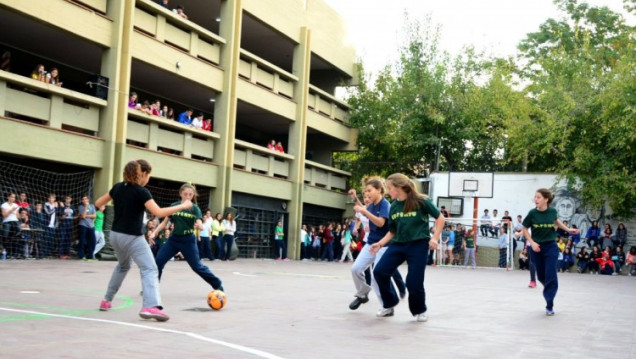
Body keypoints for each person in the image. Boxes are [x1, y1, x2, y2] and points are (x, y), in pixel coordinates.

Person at [95, 159, 192, 321]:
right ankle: (150, 306)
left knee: (123, 265)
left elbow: (98, 203)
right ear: (143, 174)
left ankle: (106, 300)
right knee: (150, 269)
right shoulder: (141, 192)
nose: (148, 179)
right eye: (148, 176)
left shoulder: (118, 187)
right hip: (132, 237)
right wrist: (182, 206)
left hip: (115, 236)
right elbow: (159, 212)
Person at [370, 173, 444, 322]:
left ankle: (420, 310)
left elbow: (440, 218)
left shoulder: (421, 201)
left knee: (413, 281)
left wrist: (435, 238)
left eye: (389, 188)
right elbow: (392, 231)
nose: (388, 191)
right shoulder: (394, 206)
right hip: (398, 244)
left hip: (418, 245)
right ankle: (389, 304)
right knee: (379, 271)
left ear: (398, 187)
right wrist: (380, 243)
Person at [347, 177, 406, 312]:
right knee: (355, 269)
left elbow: (380, 222)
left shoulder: (385, 204)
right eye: (365, 191)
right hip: (371, 243)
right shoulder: (371, 205)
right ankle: (362, 294)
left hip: (384, 245)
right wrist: (355, 198)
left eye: (369, 190)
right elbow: (362, 208)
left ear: (379, 190)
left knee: (376, 276)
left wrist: (365, 212)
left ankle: (388, 306)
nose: (367, 194)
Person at [152, 184, 224, 294]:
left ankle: (217, 284)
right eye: (185, 194)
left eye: (190, 195)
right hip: (174, 240)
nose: (187, 197)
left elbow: (199, 221)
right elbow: (164, 222)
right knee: (158, 261)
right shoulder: (175, 206)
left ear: (193, 195)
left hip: (188, 241)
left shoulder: (195, 208)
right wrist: (154, 232)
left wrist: (200, 226)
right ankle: (152, 287)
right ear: (180, 194)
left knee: (197, 267)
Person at [522, 188, 579, 316]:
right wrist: (532, 243)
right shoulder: (532, 213)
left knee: (551, 274)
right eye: (535, 197)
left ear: (546, 199)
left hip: (551, 247)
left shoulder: (552, 211)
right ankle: (549, 287)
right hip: (536, 248)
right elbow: (525, 229)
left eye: (538, 197)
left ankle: (549, 304)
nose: (535, 200)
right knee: (541, 276)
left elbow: (556, 221)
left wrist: (569, 229)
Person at [77, 195, 97, 261]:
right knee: (82, 241)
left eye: (86, 199)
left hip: (91, 226)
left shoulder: (92, 206)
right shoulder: (80, 207)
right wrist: (86, 207)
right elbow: (82, 216)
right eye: (83, 199)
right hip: (83, 225)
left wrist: (87, 216)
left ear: (88, 199)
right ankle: (82, 255)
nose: (85, 200)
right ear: (82, 200)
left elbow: (94, 216)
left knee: (93, 241)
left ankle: (90, 256)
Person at [2, 193, 21, 258]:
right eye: (12, 197)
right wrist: (11, 210)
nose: (13, 198)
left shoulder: (16, 205)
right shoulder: (4, 205)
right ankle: (5, 249)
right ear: (8, 197)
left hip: (15, 221)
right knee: (5, 235)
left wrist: (19, 213)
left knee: (18, 231)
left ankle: (9, 240)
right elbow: (4, 215)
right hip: (7, 221)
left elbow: (18, 217)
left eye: (14, 197)